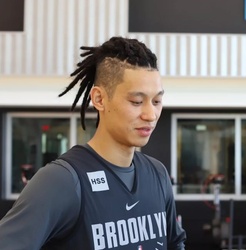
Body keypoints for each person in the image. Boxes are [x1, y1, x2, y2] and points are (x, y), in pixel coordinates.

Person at [0, 37, 187, 249]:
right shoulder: (61, 181)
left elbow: (175, 242)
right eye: (136, 101)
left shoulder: (158, 174)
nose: (150, 114)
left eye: (156, 101)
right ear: (99, 99)